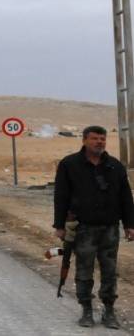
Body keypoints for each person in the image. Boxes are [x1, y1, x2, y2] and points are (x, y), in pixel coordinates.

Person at [53, 125, 134, 329]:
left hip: (110, 228)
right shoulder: (70, 164)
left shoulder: (115, 166)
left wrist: (130, 224)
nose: (99, 142)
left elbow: (125, 196)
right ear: (84, 140)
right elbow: (61, 196)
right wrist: (59, 225)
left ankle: (109, 310)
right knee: (84, 270)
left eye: (102, 139)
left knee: (109, 270)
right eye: (95, 138)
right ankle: (86, 309)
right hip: (83, 228)